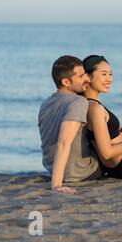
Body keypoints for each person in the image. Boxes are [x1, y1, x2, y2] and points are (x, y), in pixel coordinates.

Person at [38, 56, 102, 194]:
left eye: (85, 73)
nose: (87, 78)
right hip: (81, 172)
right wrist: (56, 185)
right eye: (81, 76)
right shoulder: (78, 102)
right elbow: (63, 142)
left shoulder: (45, 104)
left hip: (52, 168)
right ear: (66, 82)